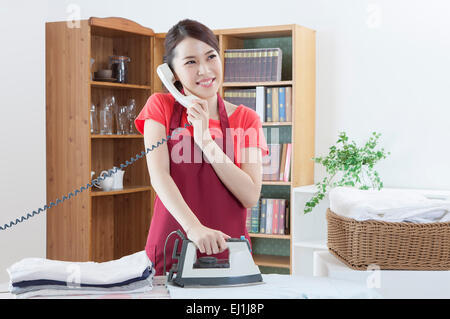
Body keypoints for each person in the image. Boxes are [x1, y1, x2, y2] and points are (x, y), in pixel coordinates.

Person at [134, 19, 269, 276]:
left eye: (211, 57)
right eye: (190, 62)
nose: (205, 70)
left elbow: (250, 195)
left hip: (229, 250)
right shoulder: (160, 107)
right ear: (171, 73)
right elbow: (159, 175)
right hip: (173, 246)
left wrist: (205, 140)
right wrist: (194, 228)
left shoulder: (247, 118)